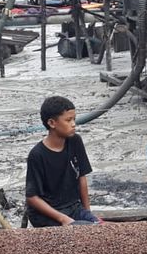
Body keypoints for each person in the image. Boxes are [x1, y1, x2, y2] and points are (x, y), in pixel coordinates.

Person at [25, 95, 101, 227]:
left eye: (74, 119)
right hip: (48, 215)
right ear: (52, 123)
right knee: (84, 233)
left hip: (73, 207)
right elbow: (32, 198)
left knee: (100, 228)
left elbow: (81, 177)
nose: (73, 124)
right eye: (68, 120)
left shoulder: (75, 141)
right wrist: (62, 218)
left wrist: (87, 212)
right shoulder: (37, 155)